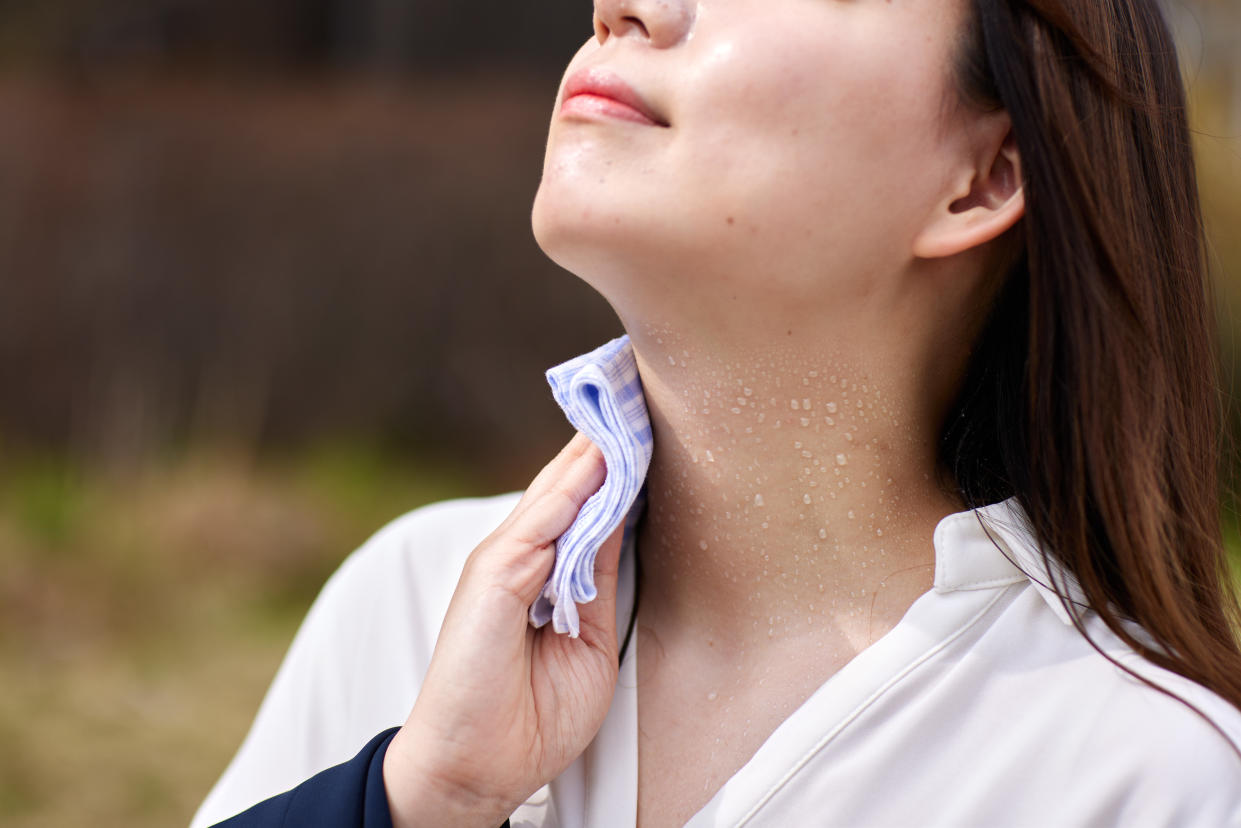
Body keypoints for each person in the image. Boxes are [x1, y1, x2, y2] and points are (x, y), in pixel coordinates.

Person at [192, 0, 1241, 826]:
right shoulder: (411, 607)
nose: (624, 8)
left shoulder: (1145, 777)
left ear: (982, 178)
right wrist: (413, 803)